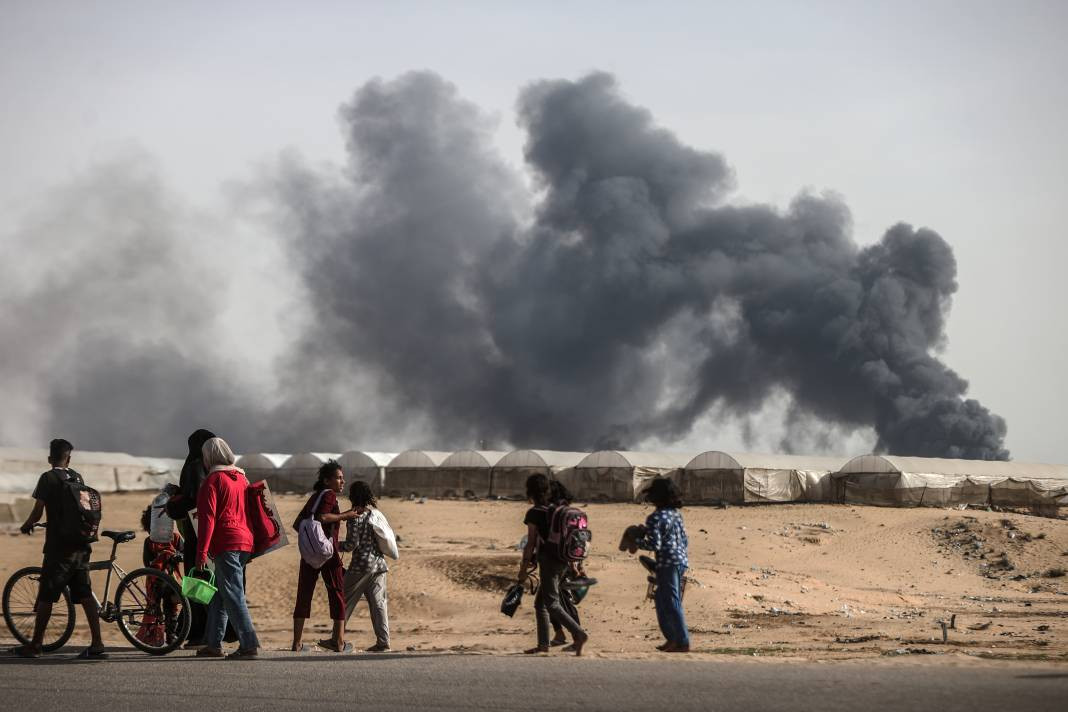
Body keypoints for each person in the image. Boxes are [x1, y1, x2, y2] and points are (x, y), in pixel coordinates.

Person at [12, 439, 107, 659]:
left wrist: (27, 525)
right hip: (82, 546)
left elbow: (37, 512)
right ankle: (97, 643)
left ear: (49, 458)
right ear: (69, 458)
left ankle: (35, 644)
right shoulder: (77, 477)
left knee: (46, 595)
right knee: (84, 594)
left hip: (59, 548)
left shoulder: (48, 478)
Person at [194, 437, 261, 659]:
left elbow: (207, 520)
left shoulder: (213, 480)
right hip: (245, 541)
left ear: (208, 457)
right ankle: (213, 644)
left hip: (226, 542)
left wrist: (201, 552)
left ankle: (249, 644)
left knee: (233, 594)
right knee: (222, 595)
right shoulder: (241, 478)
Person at [291, 460, 360, 652]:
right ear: (327, 481)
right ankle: (338, 642)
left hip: (309, 555)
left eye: (342, 478)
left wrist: (311, 541)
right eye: (338, 478)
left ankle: (296, 643)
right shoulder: (329, 495)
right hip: (328, 554)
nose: (342, 482)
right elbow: (322, 517)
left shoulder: (314, 497)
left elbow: (298, 524)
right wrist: (345, 516)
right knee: (337, 593)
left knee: (304, 594)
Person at [517, 474, 587, 656]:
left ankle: (578, 634)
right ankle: (543, 645)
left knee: (552, 603)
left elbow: (530, 543)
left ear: (530, 491)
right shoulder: (556, 510)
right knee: (540, 604)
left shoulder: (534, 512)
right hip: (564, 560)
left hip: (549, 561)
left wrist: (523, 570)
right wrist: (574, 566)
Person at [165, 428, 215, 646]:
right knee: (208, 583)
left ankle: (198, 633)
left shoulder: (194, 467)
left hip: (196, 534)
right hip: (211, 532)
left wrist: (173, 500)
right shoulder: (212, 468)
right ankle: (209, 631)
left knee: (196, 582)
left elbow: (193, 501)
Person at [636, 478, 690, 653]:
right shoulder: (676, 515)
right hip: (681, 561)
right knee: (661, 598)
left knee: (671, 601)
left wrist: (637, 542)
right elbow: (685, 540)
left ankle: (682, 641)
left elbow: (654, 545)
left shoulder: (655, 517)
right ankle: (672, 638)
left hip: (667, 562)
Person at [339, 480, 390, 652]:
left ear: (352, 496)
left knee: (344, 603)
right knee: (379, 604)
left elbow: (351, 545)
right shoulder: (375, 514)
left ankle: (336, 639)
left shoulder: (354, 517)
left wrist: (334, 545)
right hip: (379, 565)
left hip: (360, 567)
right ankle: (383, 642)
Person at [547, 480, 582, 649]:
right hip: (572, 559)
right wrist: (576, 564)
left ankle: (577, 636)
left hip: (558, 560)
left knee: (560, 600)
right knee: (558, 599)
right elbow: (577, 539)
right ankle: (562, 634)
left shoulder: (555, 511)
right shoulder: (574, 512)